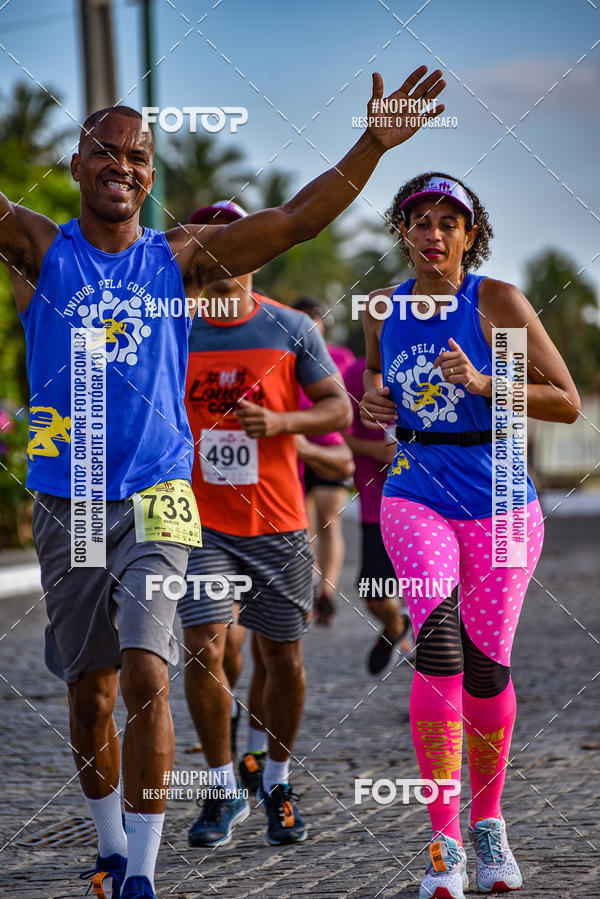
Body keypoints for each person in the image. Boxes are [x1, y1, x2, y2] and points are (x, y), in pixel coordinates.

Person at [0, 66, 445, 899]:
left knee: (147, 672)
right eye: (105, 151)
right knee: (91, 691)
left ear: (150, 173)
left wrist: (373, 143)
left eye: (137, 155)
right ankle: (106, 842)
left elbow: (296, 219)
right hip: (72, 499)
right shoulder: (40, 249)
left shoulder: (180, 261)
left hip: (162, 497)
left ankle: (141, 868)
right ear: (77, 164)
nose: (122, 165)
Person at [360, 173, 580, 899]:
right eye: (419, 220)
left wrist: (488, 382)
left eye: (447, 221)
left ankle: (489, 825)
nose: (433, 233)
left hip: (502, 504)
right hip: (415, 490)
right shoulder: (382, 308)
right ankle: (443, 840)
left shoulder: (496, 303)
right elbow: (376, 396)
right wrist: (371, 400)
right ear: (402, 232)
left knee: (487, 667)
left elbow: (564, 401)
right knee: (439, 644)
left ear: (468, 233)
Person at [179, 200, 352, 850]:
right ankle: (222, 788)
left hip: (277, 523)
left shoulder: (291, 326)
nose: (228, 252)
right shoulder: (174, 329)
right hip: (196, 524)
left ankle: (275, 779)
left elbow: (338, 407)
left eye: (241, 238)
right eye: (214, 239)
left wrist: (282, 424)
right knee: (203, 647)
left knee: (282, 657)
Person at [343, 355, 412, 673]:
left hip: (430, 503)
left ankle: (435, 689)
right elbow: (339, 434)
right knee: (374, 593)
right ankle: (397, 625)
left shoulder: (431, 360)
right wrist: (377, 451)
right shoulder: (355, 374)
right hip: (378, 504)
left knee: (435, 599)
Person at [293, 297, 356, 624]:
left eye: (314, 320)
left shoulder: (342, 357)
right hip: (292, 449)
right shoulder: (283, 356)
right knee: (302, 524)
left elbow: (353, 407)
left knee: (331, 521)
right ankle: (312, 582)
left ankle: (327, 589)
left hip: (331, 449)